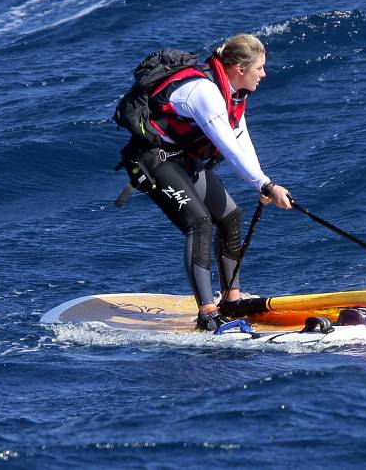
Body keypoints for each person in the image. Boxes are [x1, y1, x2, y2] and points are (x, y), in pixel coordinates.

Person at [119, 33, 293, 331]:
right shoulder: (205, 93)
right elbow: (226, 146)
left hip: (182, 158)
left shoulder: (235, 93)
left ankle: (231, 300)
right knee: (199, 222)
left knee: (229, 215)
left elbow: (241, 140)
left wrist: (264, 182)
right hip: (153, 159)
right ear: (240, 68)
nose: (264, 74)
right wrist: (263, 185)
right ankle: (207, 313)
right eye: (260, 68)